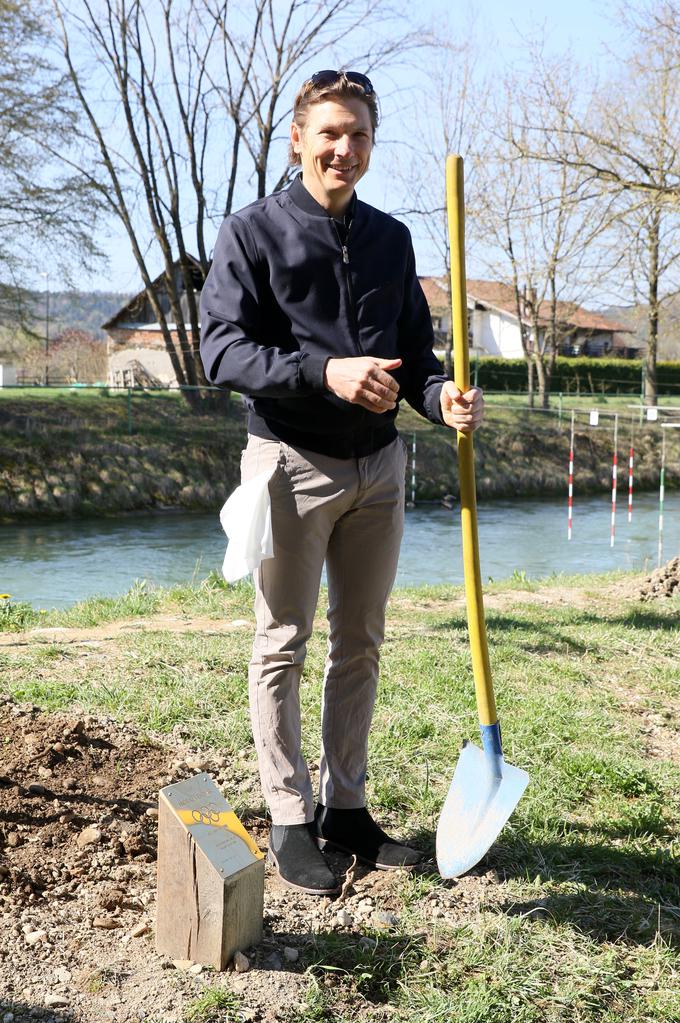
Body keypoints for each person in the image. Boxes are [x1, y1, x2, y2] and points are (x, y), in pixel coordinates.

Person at [200, 70, 484, 896]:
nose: (344, 149)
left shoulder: (392, 240)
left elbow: (419, 365)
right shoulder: (251, 233)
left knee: (360, 642)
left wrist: (442, 400)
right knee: (282, 642)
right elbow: (221, 352)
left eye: (358, 134)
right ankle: (290, 816)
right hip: (289, 463)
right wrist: (325, 371)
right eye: (329, 132)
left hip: (380, 469)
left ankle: (345, 808)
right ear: (298, 138)